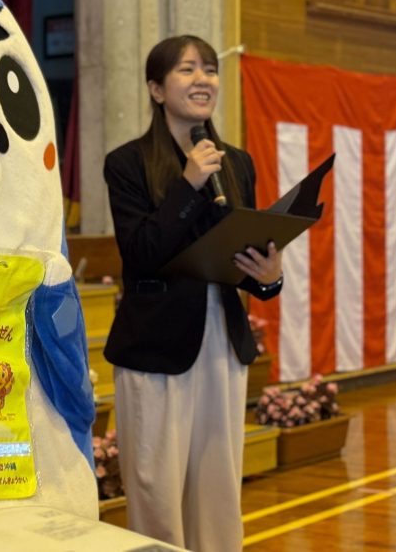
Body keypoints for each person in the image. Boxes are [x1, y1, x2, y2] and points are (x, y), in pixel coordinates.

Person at [102, 35, 283, 551]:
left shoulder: (237, 163)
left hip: (222, 345)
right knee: (156, 493)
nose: (203, 79)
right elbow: (142, 253)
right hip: (156, 349)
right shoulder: (127, 163)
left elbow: (237, 255)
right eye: (187, 69)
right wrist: (187, 184)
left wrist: (268, 275)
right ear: (157, 89)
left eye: (209, 69)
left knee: (218, 492)